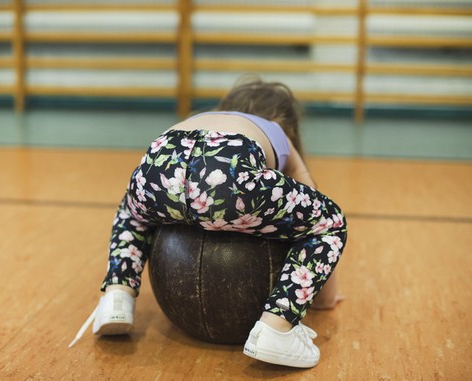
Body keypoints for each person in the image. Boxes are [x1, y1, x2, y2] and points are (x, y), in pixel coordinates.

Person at [69, 77, 348, 369]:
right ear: (286, 121)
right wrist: (325, 299)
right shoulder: (277, 132)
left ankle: (117, 297)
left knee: (131, 213)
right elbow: (313, 203)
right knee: (329, 221)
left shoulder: (200, 118)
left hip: (160, 161)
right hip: (225, 171)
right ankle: (277, 328)